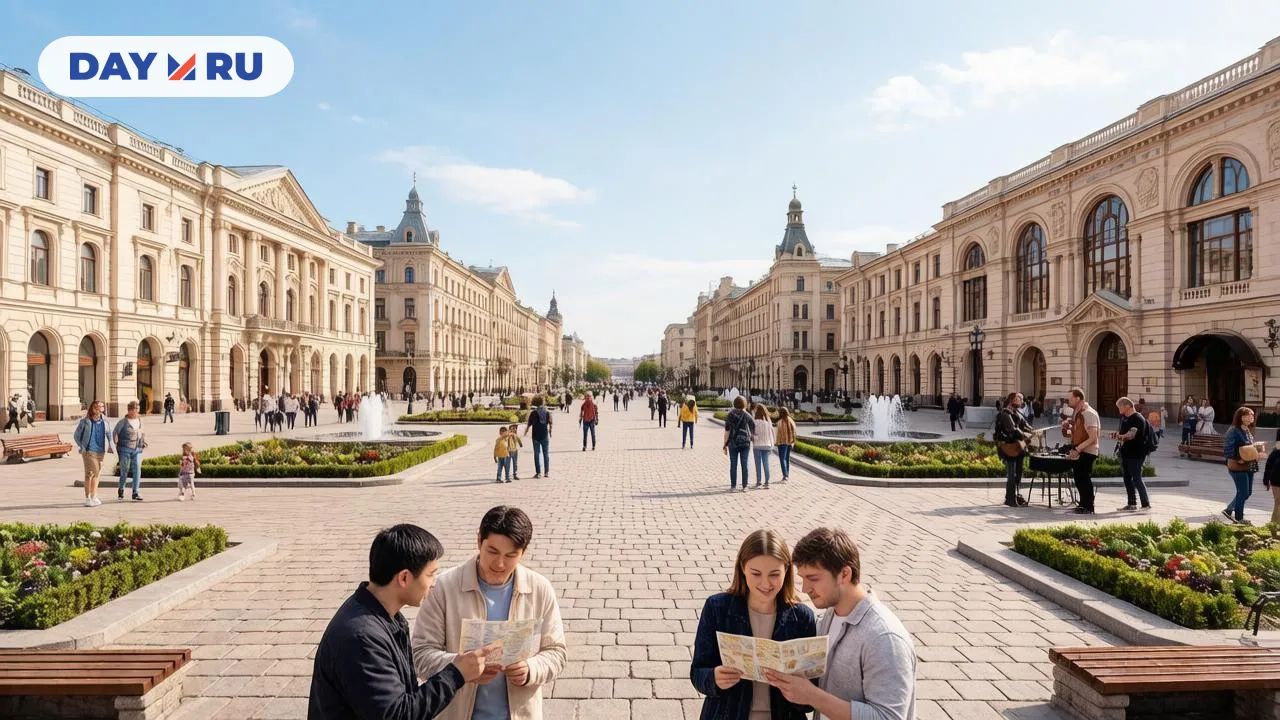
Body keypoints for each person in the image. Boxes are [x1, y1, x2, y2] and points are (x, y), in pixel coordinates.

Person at [309, 524, 490, 719]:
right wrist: (456, 674)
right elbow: (398, 714)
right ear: (404, 577)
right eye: (430, 574)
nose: (434, 582)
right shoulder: (361, 638)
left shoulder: (383, 614)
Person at [412, 507, 567, 720]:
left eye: (511, 555)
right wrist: (460, 668)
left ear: (524, 552)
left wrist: (531, 669)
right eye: (492, 551)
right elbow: (421, 654)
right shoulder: (444, 588)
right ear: (479, 542)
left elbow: (556, 652)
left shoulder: (540, 589)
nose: (500, 564)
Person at [765, 527, 917, 720]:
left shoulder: (884, 638)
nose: (805, 588)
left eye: (813, 578)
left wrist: (812, 695)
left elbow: (889, 717)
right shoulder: (830, 614)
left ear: (844, 574)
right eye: (803, 578)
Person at [691, 530, 816, 720]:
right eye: (756, 573)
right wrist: (714, 678)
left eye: (774, 574)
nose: (765, 583)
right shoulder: (717, 608)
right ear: (742, 568)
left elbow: (809, 701)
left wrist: (800, 691)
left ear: (787, 570)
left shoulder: (802, 617)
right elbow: (698, 672)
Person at [1063, 387, 1100, 515]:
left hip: (1087, 451)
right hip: (1080, 450)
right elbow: (1076, 434)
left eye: (1070, 398)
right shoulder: (1078, 413)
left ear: (1078, 398)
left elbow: (1093, 437)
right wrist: (1067, 429)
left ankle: (1089, 507)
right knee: (1079, 478)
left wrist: (1078, 449)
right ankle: (1083, 504)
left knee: (1084, 478)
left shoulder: (1088, 413)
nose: (1069, 401)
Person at [1111, 397, 1152, 512]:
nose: (1118, 409)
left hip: (1136, 453)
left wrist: (1121, 436)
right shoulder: (1125, 418)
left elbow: (1131, 434)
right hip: (1126, 452)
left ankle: (1145, 504)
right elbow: (1123, 433)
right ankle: (1131, 503)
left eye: (1120, 406)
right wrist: (1116, 435)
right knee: (1127, 478)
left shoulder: (1138, 419)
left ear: (1127, 406)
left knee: (1137, 478)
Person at [1224, 406, 1263, 524]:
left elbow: (1248, 447)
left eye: (1252, 415)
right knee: (1243, 492)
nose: (1251, 417)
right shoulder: (1233, 430)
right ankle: (1239, 518)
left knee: (1248, 492)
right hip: (1238, 466)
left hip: (1249, 465)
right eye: (1248, 415)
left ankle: (1229, 509)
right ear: (1241, 417)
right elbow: (1228, 448)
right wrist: (1238, 458)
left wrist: (1257, 449)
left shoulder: (1247, 430)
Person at [995, 392, 1034, 507]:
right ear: (1012, 400)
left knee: (1018, 473)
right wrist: (1026, 434)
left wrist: (1033, 431)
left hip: (1018, 447)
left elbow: (1025, 425)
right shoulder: (1005, 413)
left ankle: (1016, 494)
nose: (1021, 401)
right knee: (1012, 474)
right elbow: (1013, 429)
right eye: (1019, 399)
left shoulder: (1017, 412)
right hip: (1008, 447)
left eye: (1022, 398)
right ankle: (1010, 499)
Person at [72, 400, 113, 507]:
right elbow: (76, 435)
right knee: (94, 472)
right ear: (94, 408)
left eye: (103, 406)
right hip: (89, 451)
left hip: (101, 451)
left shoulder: (105, 420)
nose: (102, 408)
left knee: (92, 474)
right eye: (100, 406)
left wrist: (110, 445)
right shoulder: (86, 421)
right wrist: (82, 446)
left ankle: (93, 496)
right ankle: (88, 497)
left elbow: (109, 433)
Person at [112, 400, 147, 502]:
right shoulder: (123, 422)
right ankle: (121, 489)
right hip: (124, 449)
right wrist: (115, 441)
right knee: (125, 470)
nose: (137, 411)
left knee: (137, 469)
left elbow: (142, 432)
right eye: (135, 409)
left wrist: (144, 441)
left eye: (138, 409)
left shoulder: (140, 420)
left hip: (137, 449)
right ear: (130, 410)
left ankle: (135, 492)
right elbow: (115, 432)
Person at [723, 396, 756, 493]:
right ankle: (745, 486)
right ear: (744, 404)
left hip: (733, 443)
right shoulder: (748, 415)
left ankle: (733, 486)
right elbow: (753, 428)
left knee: (733, 464)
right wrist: (751, 437)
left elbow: (727, 431)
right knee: (744, 464)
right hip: (745, 443)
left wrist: (725, 444)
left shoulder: (730, 415)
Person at [524, 397, 553, 479]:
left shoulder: (533, 413)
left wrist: (526, 432)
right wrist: (550, 432)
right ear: (543, 403)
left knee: (537, 454)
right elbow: (550, 423)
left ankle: (538, 473)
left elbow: (529, 423)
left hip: (535, 436)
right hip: (544, 435)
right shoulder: (547, 412)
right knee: (546, 454)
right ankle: (546, 472)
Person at [751, 404, 776, 490]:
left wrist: (754, 438)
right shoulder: (768, 423)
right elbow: (772, 435)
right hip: (767, 445)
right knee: (766, 463)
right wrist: (772, 445)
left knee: (758, 464)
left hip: (757, 445)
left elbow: (752, 435)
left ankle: (759, 482)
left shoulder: (754, 422)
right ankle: (767, 482)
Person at [774, 406, 796, 483]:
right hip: (789, 442)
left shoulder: (780, 422)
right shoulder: (791, 421)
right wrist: (793, 442)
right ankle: (787, 475)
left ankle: (785, 475)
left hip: (782, 443)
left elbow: (777, 434)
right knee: (787, 459)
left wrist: (776, 443)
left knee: (782, 459)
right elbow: (794, 432)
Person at [1264, 440, 1280, 525]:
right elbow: (1269, 464)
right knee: (1278, 502)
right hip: (1277, 479)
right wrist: (1266, 480)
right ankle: (1274, 524)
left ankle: (1274, 524)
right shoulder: (1278, 447)